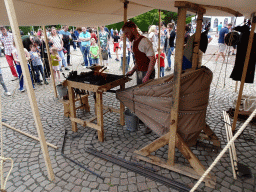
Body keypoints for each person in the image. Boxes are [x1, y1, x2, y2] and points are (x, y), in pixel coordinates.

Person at [123, 21, 156, 134]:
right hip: (140, 73)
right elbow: (139, 60)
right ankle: (143, 119)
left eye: (127, 33)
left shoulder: (145, 41)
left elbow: (152, 59)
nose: (126, 36)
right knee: (141, 98)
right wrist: (132, 70)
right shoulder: (134, 42)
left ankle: (150, 125)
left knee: (148, 100)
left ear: (133, 29)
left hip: (148, 74)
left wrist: (147, 75)